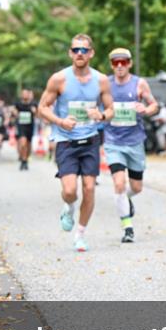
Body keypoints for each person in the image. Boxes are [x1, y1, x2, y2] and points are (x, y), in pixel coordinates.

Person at [38, 33, 114, 252]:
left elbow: (110, 110)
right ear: (70, 53)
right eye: (75, 50)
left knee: (89, 189)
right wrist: (61, 121)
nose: (79, 54)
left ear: (91, 53)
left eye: (84, 50)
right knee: (70, 191)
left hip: (90, 140)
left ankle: (80, 234)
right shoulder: (58, 79)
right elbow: (42, 107)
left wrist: (100, 115)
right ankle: (69, 206)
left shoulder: (101, 80)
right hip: (66, 141)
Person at [103, 47, 158, 243]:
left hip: (135, 142)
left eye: (123, 62)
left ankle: (126, 199)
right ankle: (127, 227)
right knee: (119, 184)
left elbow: (154, 105)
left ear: (129, 64)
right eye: (115, 62)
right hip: (113, 142)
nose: (119, 66)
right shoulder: (105, 85)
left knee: (136, 187)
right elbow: (96, 106)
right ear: (111, 65)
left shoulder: (139, 84)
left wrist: (145, 108)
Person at [12, 88, 37, 171]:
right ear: (21, 95)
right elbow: (13, 111)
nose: (25, 95)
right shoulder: (18, 104)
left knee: (28, 145)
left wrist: (35, 112)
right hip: (21, 126)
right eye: (23, 94)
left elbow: (38, 114)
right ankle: (23, 160)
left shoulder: (33, 103)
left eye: (26, 93)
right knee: (23, 143)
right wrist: (15, 112)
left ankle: (26, 159)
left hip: (30, 126)